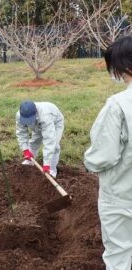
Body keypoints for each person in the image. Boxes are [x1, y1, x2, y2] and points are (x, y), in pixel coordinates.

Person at [84, 35, 132, 270]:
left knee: (119, 253)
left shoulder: (119, 105)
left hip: (123, 194)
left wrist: (89, 162)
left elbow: (104, 155)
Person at [16, 100, 64, 177]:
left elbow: (49, 141)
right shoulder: (20, 115)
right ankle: (30, 161)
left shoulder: (45, 116)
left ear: (35, 113)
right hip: (38, 123)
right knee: (34, 141)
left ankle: (51, 169)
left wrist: (46, 164)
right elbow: (21, 133)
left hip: (55, 122)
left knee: (54, 146)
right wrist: (25, 149)